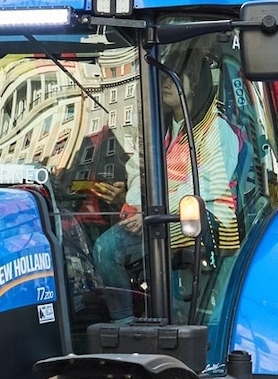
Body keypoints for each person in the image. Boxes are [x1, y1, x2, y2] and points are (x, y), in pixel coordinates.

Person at [93, 51, 242, 321]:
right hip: (158, 219)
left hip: (201, 223)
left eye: (173, 78)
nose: (164, 83)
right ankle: (125, 322)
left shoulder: (217, 131)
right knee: (105, 248)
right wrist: (134, 203)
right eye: (162, 77)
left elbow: (203, 188)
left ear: (196, 83)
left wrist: (148, 211)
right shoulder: (159, 131)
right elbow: (139, 173)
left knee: (179, 307)